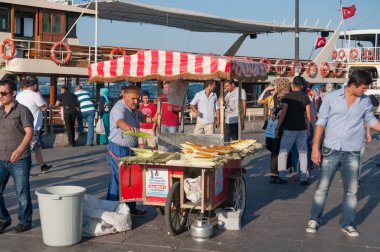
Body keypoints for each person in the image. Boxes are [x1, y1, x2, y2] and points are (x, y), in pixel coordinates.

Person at [306, 70, 380, 237]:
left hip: (352, 150)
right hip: (331, 148)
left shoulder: (365, 101)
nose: (365, 90)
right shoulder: (331, 98)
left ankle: (347, 223)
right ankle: (314, 219)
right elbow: (321, 122)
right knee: (322, 187)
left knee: (351, 190)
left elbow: (371, 120)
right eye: (363, 87)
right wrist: (315, 147)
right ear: (353, 84)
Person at [107, 85, 158, 216]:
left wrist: (154, 118)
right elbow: (120, 122)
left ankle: (131, 207)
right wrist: (130, 128)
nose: (136, 101)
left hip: (131, 148)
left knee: (132, 178)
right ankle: (112, 208)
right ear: (124, 96)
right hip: (118, 148)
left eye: (138, 98)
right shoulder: (119, 108)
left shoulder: (134, 108)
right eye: (133, 99)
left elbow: (143, 118)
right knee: (119, 178)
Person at [0, 79, 34, 234]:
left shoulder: (22, 110)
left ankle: (24, 221)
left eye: (3, 93)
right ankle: (4, 219)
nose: (0, 96)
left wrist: (19, 150)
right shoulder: (0, 111)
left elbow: (29, 132)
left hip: (20, 159)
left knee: (22, 192)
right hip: (1, 158)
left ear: (13, 93)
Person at [273, 76, 311, 185]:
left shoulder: (287, 96)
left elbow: (283, 113)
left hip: (289, 129)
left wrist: (277, 127)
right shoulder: (305, 97)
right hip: (302, 129)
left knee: (283, 153)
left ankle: (282, 177)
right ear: (302, 86)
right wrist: (308, 129)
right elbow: (308, 116)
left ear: (292, 85)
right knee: (303, 153)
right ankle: (304, 178)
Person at [16, 77, 52, 173]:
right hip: (33, 127)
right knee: (28, 149)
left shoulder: (19, 95)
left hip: (21, 126)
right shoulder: (34, 95)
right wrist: (39, 94)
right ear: (35, 85)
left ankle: (42, 166)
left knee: (36, 147)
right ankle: (23, 169)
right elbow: (45, 107)